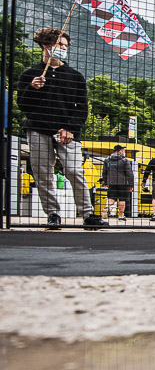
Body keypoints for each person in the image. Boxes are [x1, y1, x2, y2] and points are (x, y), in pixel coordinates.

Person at [15, 28, 106, 230]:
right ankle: (53, 214)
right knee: (42, 173)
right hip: (38, 129)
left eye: (65, 46)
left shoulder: (75, 76)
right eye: (60, 45)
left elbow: (82, 107)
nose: (63, 48)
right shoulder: (29, 75)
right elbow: (23, 105)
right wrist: (33, 89)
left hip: (67, 132)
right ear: (46, 46)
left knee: (74, 170)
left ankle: (88, 213)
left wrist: (71, 129)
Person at [100, 144, 135, 221]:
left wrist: (106, 182)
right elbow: (129, 173)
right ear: (120, 151)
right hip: (123, 183)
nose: (124, 152)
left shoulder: (107, 160)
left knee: (111, 198)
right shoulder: (125, 160)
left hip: (112, 183)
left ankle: (106, 207)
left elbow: (104, 172)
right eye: (123, 150)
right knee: (122, 199)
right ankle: (121, 216)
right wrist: (131, 184)